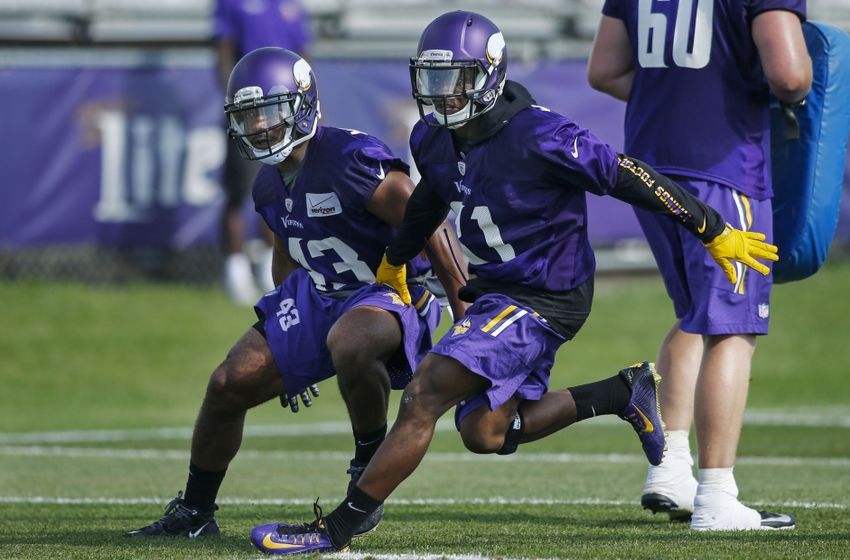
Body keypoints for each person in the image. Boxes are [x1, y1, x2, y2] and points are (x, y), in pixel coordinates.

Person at [247, 11, 780, 555]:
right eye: (434, 79)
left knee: (427, 391)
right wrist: (396, 259)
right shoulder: (433, 136)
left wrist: (712, 229)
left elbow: (627, 176)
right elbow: (432, 193)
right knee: (486, 433)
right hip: (497, 291)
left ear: (492, 73)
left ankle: (336, 528)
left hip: (547, 295)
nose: (445, 95)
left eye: (457, 79)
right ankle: (623, 393)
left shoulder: (544, 135)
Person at [125, 47, 468, 539]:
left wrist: (463, 310)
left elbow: (427, 218)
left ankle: (367, 467)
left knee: (351, 341)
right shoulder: (267, 185)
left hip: (387, 288)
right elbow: (288, 254)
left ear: (303, 104)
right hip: (321, 293)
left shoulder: (350, 158)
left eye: (269, 112)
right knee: (228, 383)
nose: (260, 127)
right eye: (250, 117)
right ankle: (195, 511)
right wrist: (293, 348)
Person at [587, 0, 811, 531]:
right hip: (722, 166)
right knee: (731, 328)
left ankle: (670, 470)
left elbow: (605, 70)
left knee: (694, 316)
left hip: (649, 169)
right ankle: (716, 495)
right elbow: (789, 73)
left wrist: (674, 99)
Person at [213, 0, 312, 304]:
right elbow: (224, 50)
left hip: (286, 112)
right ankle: (235, 269)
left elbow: (303, 59)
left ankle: (271, 265)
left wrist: (310, 101)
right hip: (250, 111)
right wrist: (235, 105)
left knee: (281, 189)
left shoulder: (291, 5)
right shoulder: (233, 3)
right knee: (239, 190)